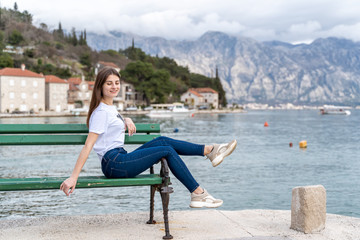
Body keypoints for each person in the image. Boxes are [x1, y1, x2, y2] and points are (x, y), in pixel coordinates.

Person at [60, 66, 237, 208]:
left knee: (163, 141)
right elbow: (88, 146)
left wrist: (126, 119)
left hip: (119, 158)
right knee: (166, 150)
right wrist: (73, 177)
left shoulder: (110, 109)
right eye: (109, 83)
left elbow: (112, 124)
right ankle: (197, 193)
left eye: (116, 82)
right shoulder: (100, 112)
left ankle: (210, 150)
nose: (114, 86)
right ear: (100, 86)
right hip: (113, 163)